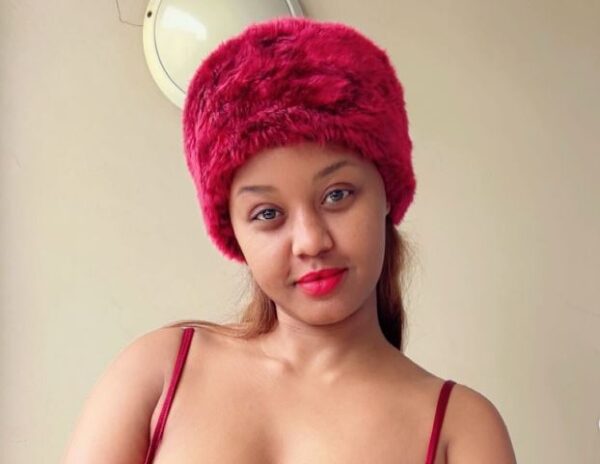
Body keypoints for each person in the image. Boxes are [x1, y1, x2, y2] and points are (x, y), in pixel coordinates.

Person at [62, 17, 517, 464]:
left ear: (386, 191)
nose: (310, 241)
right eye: (268, 214)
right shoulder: (158, 372)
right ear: (232, 231)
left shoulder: (461, 428)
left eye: (337, 195)